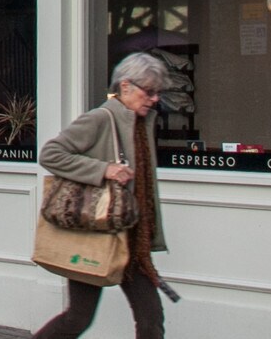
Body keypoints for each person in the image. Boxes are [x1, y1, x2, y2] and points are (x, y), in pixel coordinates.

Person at [33, 53, 171, 339]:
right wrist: (103, 169)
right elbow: (50, 154)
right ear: (125, 86)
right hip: (95, 236)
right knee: (78, 318)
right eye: (149, 91)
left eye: (158, 92)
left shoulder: (142, 124)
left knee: (151, 319)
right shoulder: (100, 118)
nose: (155, 99)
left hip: (134, 242)